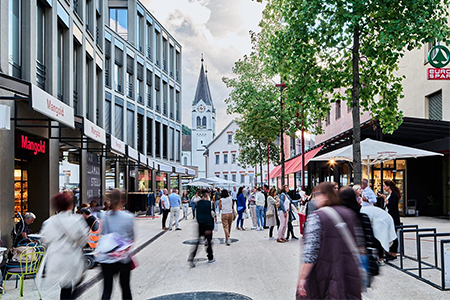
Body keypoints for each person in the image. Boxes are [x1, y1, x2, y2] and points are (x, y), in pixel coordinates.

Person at [297, 182, 364, 299]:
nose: (315, 198)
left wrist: (302, 278)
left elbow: (310, 252)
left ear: (326, 195)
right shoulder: (348, 213)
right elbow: (358, 242)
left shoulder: (316, 217)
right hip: (348, 270)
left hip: (323, 272)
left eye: (317, 194)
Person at [38, 193, 89, 299]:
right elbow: (84, 239)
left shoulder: (49, 222)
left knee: (65, 286)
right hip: (71, 256)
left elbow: (45, 239)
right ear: (70, 205)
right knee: (71, 284)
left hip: (56, 257)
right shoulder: (76, 220)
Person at [97, 189, 135, 300]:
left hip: (106, 258)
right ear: (122, 200)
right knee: (125, 288)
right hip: (122, 258)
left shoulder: (103, 216)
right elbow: (132, 237)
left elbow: (102, 234)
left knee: (107, 289)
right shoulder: (128, 217)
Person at [339, 187, 377, 286]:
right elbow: (370, 239)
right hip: (362, 255)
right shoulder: (364, 217)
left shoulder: (340, 218)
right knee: (357, 289)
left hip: (345, 256)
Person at [188, 190, 215, 267]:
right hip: (207, 225)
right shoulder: (209, 204)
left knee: (198, 242)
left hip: (200, 224)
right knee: (209, 242)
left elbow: (197, 214)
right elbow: (210, 215)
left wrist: (200, 222)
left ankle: (192, 257)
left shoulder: (198, 203)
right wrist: (210, 227)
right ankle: (210, 257)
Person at [378, 180, 401, 260]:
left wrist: (385, 199)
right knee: (390, 234)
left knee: (393, 235)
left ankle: (393, 253)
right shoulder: (390, 195)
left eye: (385, 186)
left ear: (388, 186)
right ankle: (390, 252)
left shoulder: (394, 195)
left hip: (393, 217)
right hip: (388, 217)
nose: (384, 187)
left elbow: (390, 206)